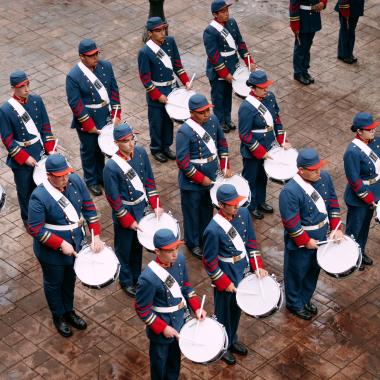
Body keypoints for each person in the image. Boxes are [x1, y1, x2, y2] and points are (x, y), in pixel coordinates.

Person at [27, 154, 103, 337]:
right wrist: (60, 243)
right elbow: (35, 229)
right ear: (49, 176)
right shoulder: (38, 197)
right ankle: (58, 315)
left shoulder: (75, 180)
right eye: (59, 176)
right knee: (54, 283)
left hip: (76, 242)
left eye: (66, 174)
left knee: (70, 279)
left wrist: (96, 235)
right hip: (51, 252)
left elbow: (89, 207)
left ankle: (69, 311)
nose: (64, 179)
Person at [203, 184, 268, 365]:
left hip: (243, 270)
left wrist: (257, 266)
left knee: (236, 309)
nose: (236, 207)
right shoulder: (213, 230)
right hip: (227, 274)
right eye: (232, 204)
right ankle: (222, 346)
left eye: (236, 203)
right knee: (223, 313)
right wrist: (224, 282)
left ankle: (231, 339)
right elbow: (210, 262)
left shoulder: (244, 214)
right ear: (221, 205)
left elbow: (251, 244)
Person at [279, 148, 343, 320]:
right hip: (302, 241)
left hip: (323, 236)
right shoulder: (290, 191)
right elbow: (291, 223)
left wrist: (336, 229)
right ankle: (294, 303)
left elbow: (333, 205)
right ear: (301, 170)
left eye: (319, 168)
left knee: (313, 270)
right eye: (314, 170)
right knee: (296, 272)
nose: (318, 172)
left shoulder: (325, 178)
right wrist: (306, 241)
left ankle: (305, 299)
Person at [135, 228, 206, 380]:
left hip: (180, 322)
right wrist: (163, 327)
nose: (174, 254)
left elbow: (185, 286)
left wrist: (197, 307)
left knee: (174, 363)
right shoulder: (148, 278)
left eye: (176, 248)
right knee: (160, 365)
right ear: (157, 251)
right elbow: (142, 309)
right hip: (162, 328)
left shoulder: (179, 260)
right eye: (169, 251)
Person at [103, 122, 163, 298]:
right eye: (125, 141)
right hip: (127, 212)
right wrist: (128, 220)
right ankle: (126, 280)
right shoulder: (111, 167)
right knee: (124, 248)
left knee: (138, 246)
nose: (131, 144)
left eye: (132, 139)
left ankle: (136, 276)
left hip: (142, 207)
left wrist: (155, 204)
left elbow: (149, 182)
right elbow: (114, 200)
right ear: (116, 143)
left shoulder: (141, 153)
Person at [176, 93, 232, 259]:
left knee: (206, 209)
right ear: (192, 113)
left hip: (212, 176)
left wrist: (225, 165)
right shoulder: (184, 132)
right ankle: (193, 243)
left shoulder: (213, 120)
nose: (206, 114)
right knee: (192, 212)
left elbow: (222, 143)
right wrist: (201, 178)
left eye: (207, 110)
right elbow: (183, 162)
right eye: (202, 112)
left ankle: (205, 237)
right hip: (192, 182)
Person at [66, 38, 121, 196]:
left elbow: (114, 91)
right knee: (89, 150)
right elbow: (75, 103)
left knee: (103, 148)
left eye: (96, 53)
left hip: (105, 115)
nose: (95, 57)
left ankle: (101, 175)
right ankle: (91, 180)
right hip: (88, 118)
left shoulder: (106, 67)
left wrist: (116, 113)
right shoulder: (74, 76)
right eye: (91, 55)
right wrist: (89, 125)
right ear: (82, 57)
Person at [0, 71, 56, 227]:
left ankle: (44, 214)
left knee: (44, 186)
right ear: (13, 88)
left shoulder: (37, 101)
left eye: (27, 84)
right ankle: (28, 219)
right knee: (25, 190)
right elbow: (8, 140)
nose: (26, 89)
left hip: (39, 151)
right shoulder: (5, 109)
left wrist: (50, 149)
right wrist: (24, 157)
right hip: (22, 157)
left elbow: (46, 127)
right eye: (21, 86)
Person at [238, 70, 291, 220]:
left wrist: (281, 140)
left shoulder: (270, 97)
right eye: (262, 88)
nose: (266, 90)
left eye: (266, 86)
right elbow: (245, 135)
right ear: (253, 88)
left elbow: (277, 120)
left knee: (262, 177)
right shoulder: (246, 107)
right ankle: (251, 205)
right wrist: (261, 152)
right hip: (253, 150)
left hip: (269, 146)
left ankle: (261, 201)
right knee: (251, 178)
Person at [138, 17, 191, 163]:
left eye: (163, 29)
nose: (162, 33)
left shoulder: (170, 42)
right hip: (157, 91)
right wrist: (157, 95)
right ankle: (156, 148)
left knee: (168, 120)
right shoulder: (145, 52)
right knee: (156, 121)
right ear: (150, 33)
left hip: (172, 89)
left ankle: (166, 146)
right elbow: (145, 79)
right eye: (158, 31)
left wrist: (186, 81)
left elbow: (177, 65)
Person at [203, 0, 255, 133]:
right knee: (218, 97)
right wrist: (224, 73)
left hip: (233, 66)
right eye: (223, 12)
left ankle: (227, 118)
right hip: (219, 70)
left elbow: (240, 43)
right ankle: (220, 122)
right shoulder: (210, 31)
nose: (226, 14)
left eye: (227, 10)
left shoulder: (232, 23)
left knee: (228, 94)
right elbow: (214, 56)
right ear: (215, 14)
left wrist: (249, 60)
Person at [343, 112, 380, 267]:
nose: (373, 131)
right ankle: (349, 258)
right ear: (359, 131)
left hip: (375, 190)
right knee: (354, 229)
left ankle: (360, 251)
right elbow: (354, 180)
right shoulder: (352, 152)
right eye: (369, 129)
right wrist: (368, 198)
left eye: (373, 129)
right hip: (360, 197)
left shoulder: (375, 142)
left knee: (365, 226)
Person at [289, 0, 327, 85]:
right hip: (302, 19)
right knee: (300, 48)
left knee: (307, 47)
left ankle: (304, 70)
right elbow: (293, 7)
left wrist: (323, 3)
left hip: (313, 17)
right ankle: (298, 73)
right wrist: (295, 26)